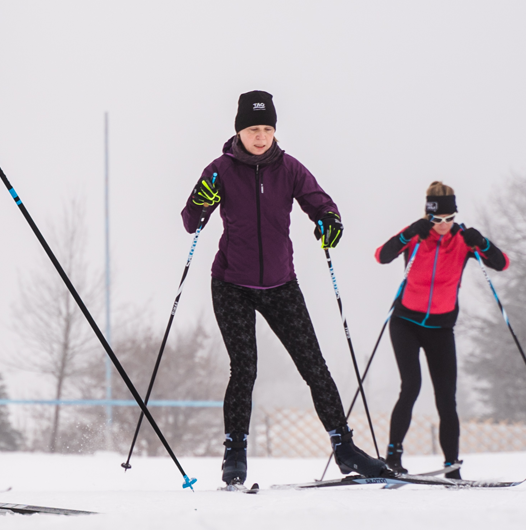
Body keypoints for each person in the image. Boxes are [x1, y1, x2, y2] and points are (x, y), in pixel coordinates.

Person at [183, 90, 391, 487]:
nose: (260, 137)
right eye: (253, 129)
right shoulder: (220, 170)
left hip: (280, 284)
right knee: (244, 368)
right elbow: (191, 221)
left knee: (314, 365)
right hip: (231, 284)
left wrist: (330, 220)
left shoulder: (290, 168)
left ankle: (345, 448)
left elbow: (321, 203)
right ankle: (234, 454)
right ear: (239, 132)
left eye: (267, 129)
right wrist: (201, 202)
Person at [374, 181, 509, 479]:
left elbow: (502, 264)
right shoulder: (417, 235)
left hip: (441, 327)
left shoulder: (462, 240)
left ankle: (452, 465)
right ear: (428, 215)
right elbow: (382, 255)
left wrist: (482, 242)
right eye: (437, 219)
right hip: (406, 322)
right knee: (411, 386)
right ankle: (393, 457)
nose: (443, 225)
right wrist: (409, 232)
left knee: (447, 397)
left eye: (449, 218)